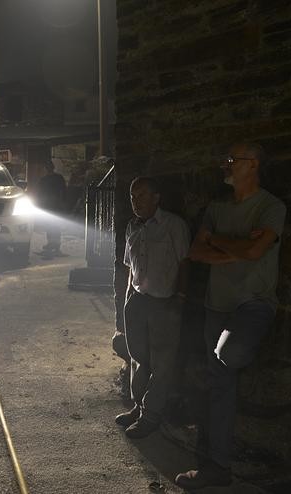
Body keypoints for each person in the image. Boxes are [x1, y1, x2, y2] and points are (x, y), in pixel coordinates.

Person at [175, 142, 286, 489]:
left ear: (252, 165)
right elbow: (195, 251)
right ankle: (217, 467)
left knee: (229, 354)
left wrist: (220, 243)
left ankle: (216, 462)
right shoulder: (216, 207)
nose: (225, 164)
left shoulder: (271, 206)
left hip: (252, 303)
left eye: (232, 160)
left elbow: (255, 251)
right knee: (219, 386)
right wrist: (237, 248)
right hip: (216, 306)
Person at [116, 176, 190, 439]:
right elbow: (129, 267)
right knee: (138, 356)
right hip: (137, 299)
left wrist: (179, 298)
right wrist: (126, 299)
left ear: (156, 197)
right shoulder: (132, 227)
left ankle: (151, 415)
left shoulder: (173, 225)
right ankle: (138, 407)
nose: (137, 202)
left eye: (143, 195)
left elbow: (185, 262)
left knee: (162, 363)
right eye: (133, 196)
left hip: (164, 301)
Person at [35, 161, 67, 256]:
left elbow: (39, 194)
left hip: (47, 206)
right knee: (56, 226)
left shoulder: (43, 180)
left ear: (46, 169)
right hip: (56, 205)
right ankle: (56, 246)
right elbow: (64, 191)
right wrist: (64, 203)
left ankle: (51, 244)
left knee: (49, 226)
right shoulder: (59, 178)